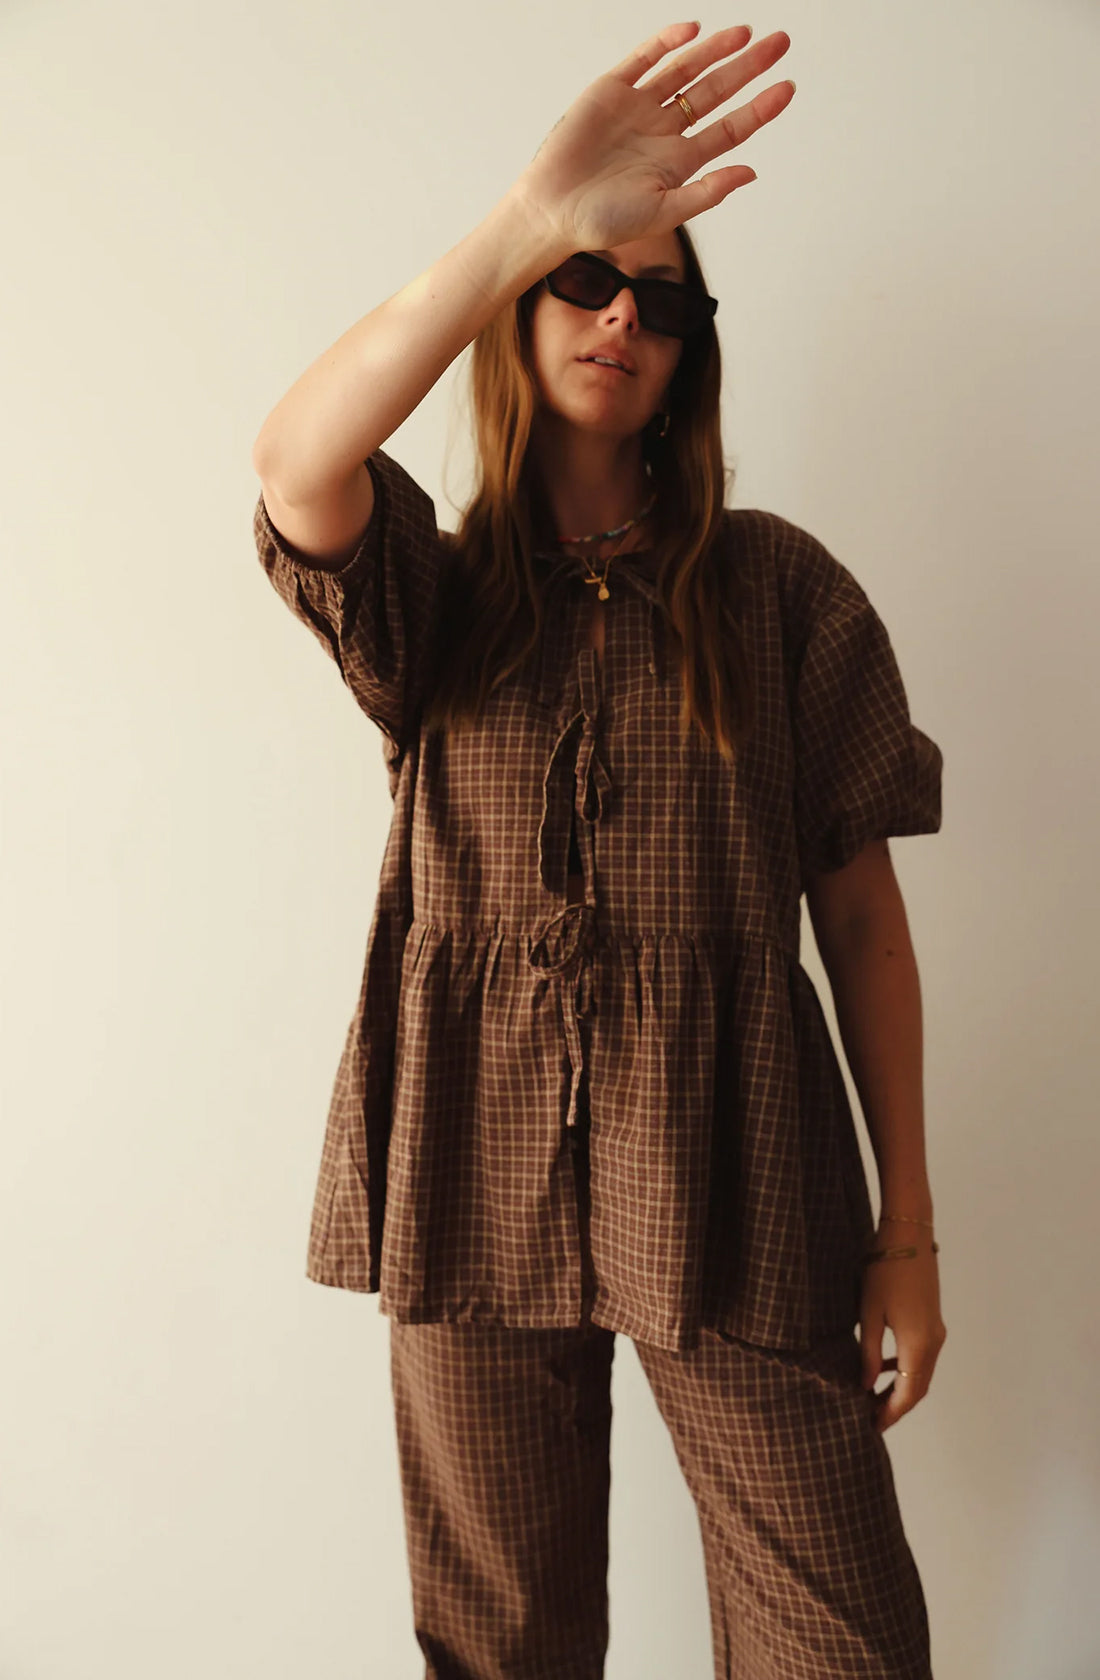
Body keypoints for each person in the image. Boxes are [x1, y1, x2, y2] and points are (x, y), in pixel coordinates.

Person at [251, 20, 946, 1679]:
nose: (625, 313)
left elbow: (864, 926)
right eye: (584, 279)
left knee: (835, 1639)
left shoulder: (782, 592)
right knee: (503, 1646)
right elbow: (295, 461)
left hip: (747, 1161)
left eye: (666, 297)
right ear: (525, 310)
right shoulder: (439, 588)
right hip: (471, 1158)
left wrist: (907, 1230)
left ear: (696, 352)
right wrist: (519, 219)